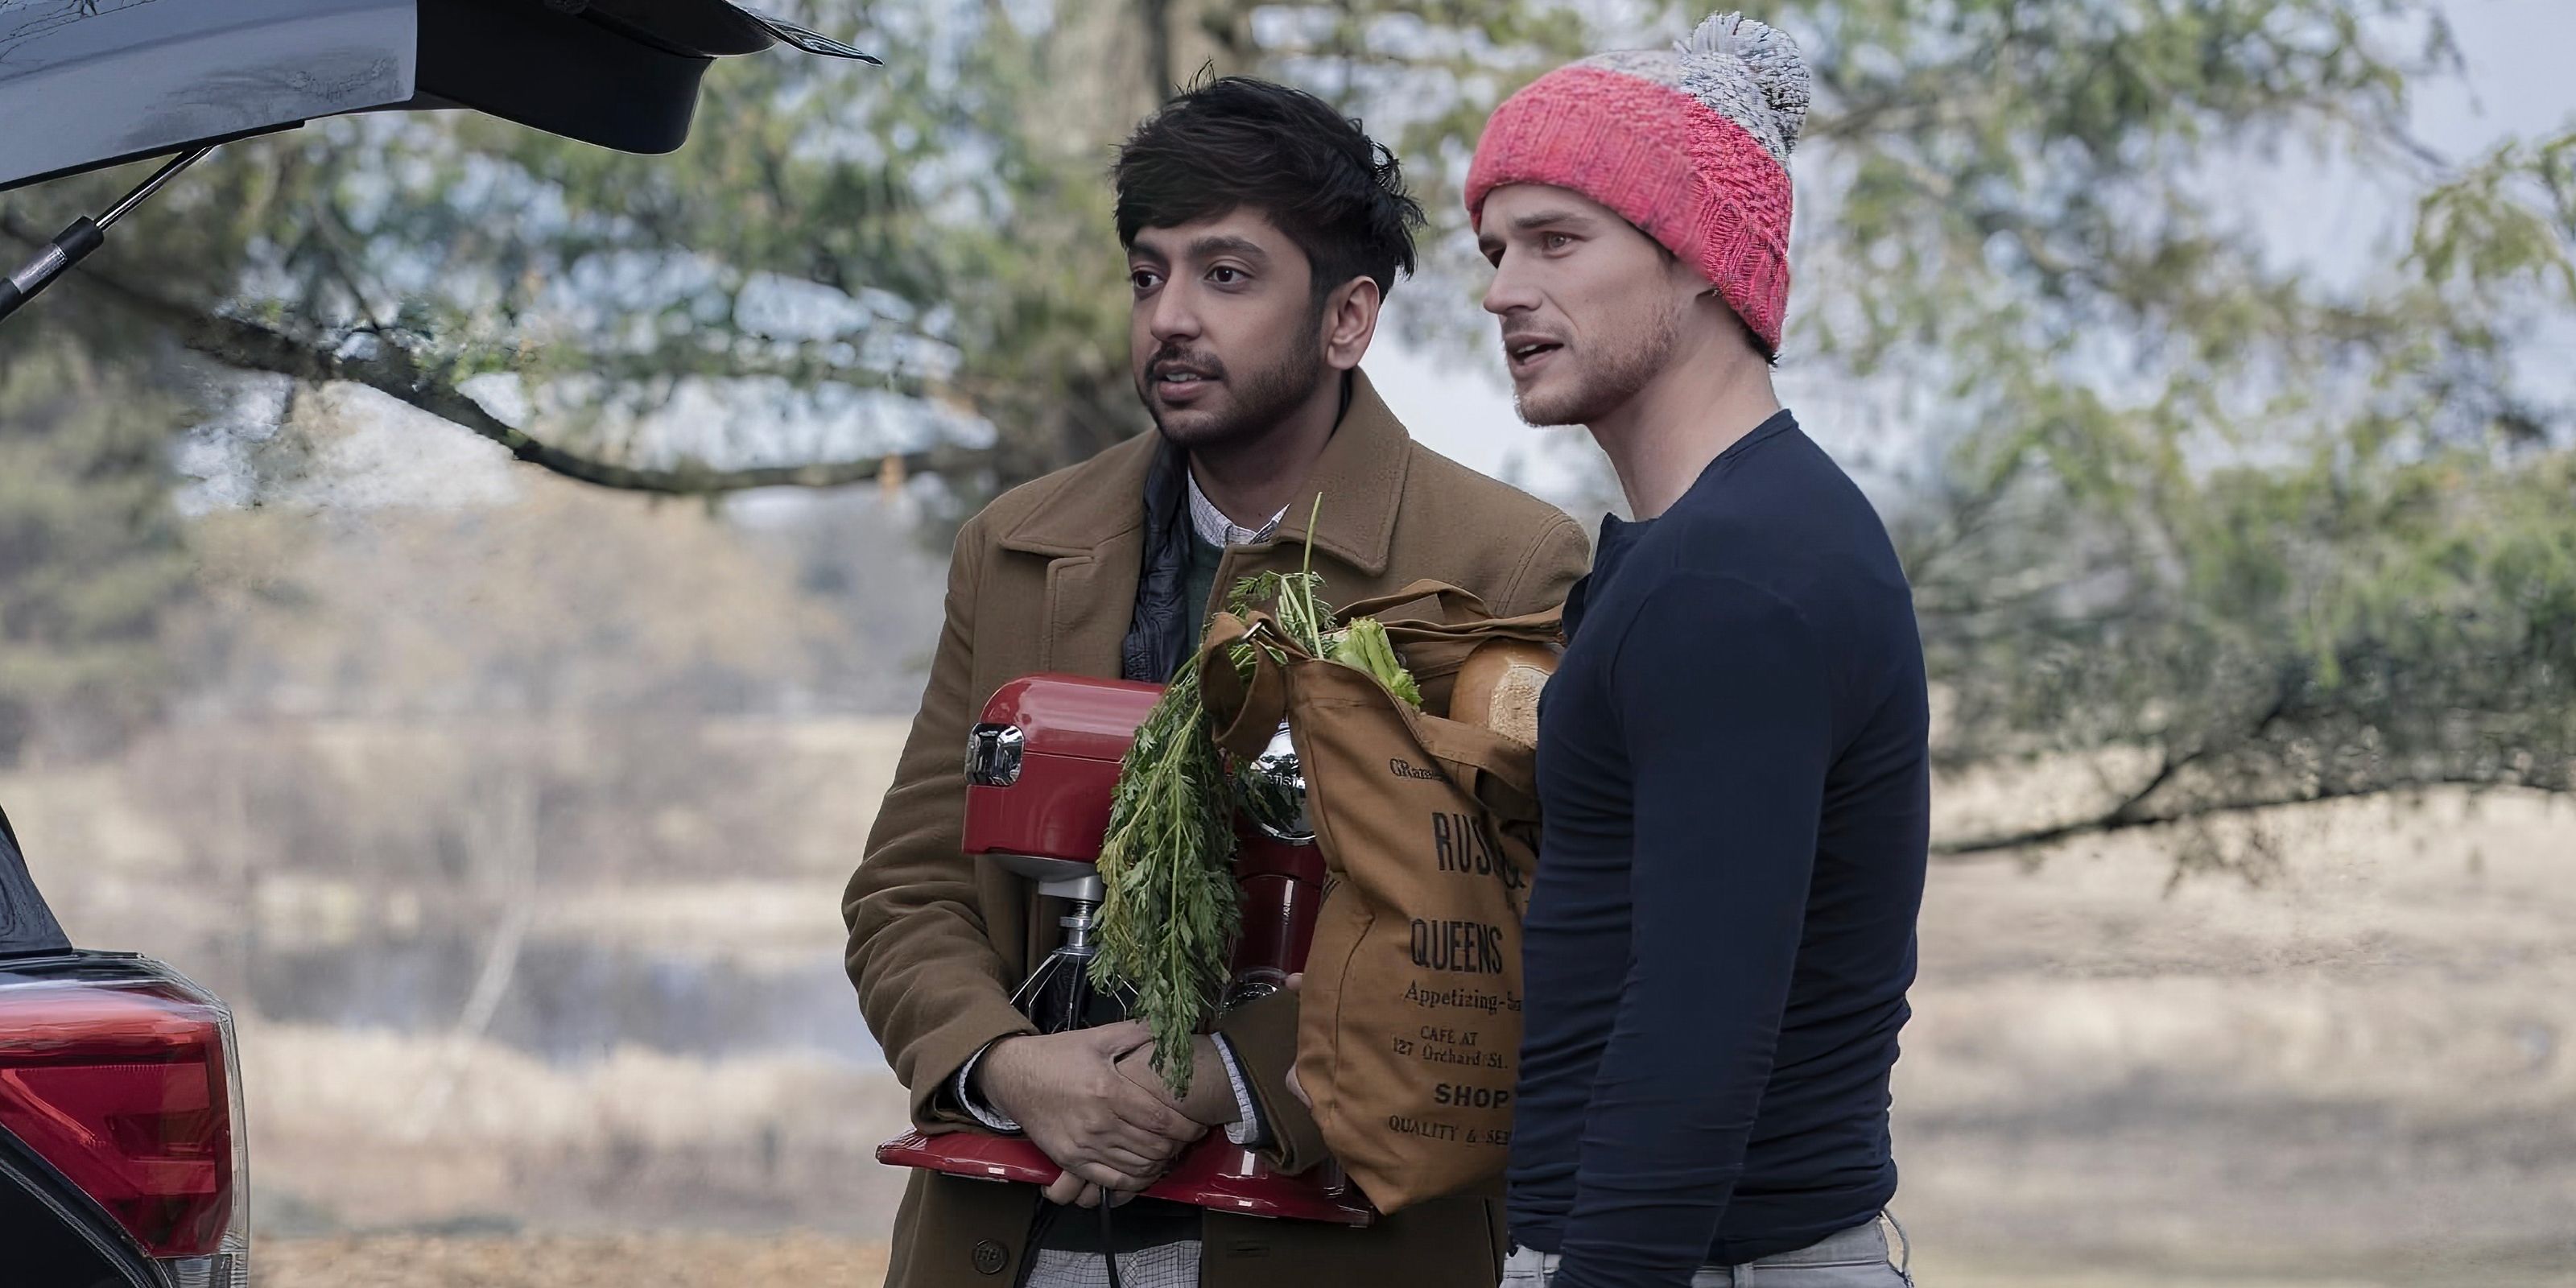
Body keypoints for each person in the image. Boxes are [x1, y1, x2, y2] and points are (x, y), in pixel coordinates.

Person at [846, 76, 1591, 1288]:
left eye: (1226, 275)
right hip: (1012, 1237)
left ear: (1349, 318)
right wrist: (1011, 1065)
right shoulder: (1016, 546)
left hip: (1326, 1241)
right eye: (1149, 275)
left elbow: (1506, 937)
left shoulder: (1500, 566)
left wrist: (1217, 1075)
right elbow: (908, 886)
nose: (1170, 319)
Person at [1464, 13, 1930, 1288]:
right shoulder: (1713, 550)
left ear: (1704, 263)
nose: (1502, 288)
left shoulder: (1731, 579)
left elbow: (1696, 1034)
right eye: (1498, 247)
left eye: (1559, 240)